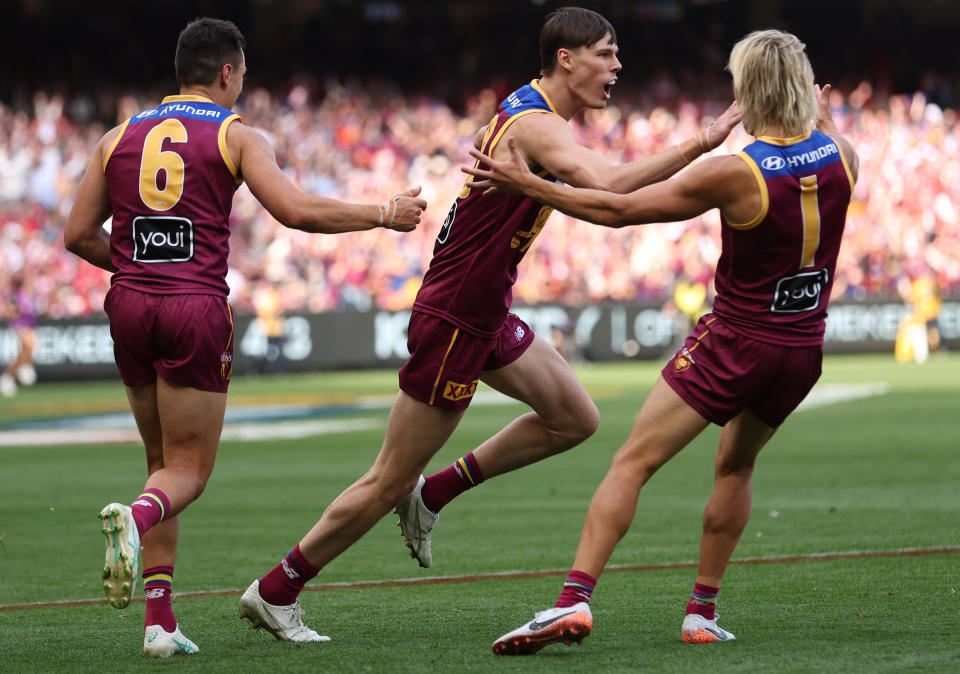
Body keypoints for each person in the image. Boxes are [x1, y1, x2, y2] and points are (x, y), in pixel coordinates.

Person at [237, 6, 739, 644]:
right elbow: (611, 188)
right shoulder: (538, 126)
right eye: (607, 54)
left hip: (483, 307)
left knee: (575, 418)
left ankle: (434, 494)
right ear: (567, 58)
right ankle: (277, 590)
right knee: (387, 475)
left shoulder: (524, 109)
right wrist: (701, 141)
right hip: (457, 316)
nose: (617, 68)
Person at [464, 28, 858, 653]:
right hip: (801, 350)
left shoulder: (735, 172)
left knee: (633, 462)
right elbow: (825, 140)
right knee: (737, 465)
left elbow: (618, 210)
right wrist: (827, 118)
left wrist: (529, 186)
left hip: (735, 340)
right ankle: (701, 613)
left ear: (748, 89)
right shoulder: (842, 153)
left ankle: (571, 602)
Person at [63, 17, 425, 658]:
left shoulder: (116, 135)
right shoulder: (236, 133)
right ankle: (135, 520)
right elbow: (296, 210)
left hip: (128, 303)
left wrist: (140, 268)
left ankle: (159, 624)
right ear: (228, 72)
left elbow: (76, 235)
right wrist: (383, 213)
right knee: (190, 473)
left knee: (161, 465)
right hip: (194, 307)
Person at [0, 275, 38, 398]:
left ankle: (21, 370)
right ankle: (9, 376)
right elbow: (12, 310)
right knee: (28, 348)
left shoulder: (28, 296)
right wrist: (17, 312)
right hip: (21, 326)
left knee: (27, 350)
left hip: (28, 326)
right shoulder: (19, 296)